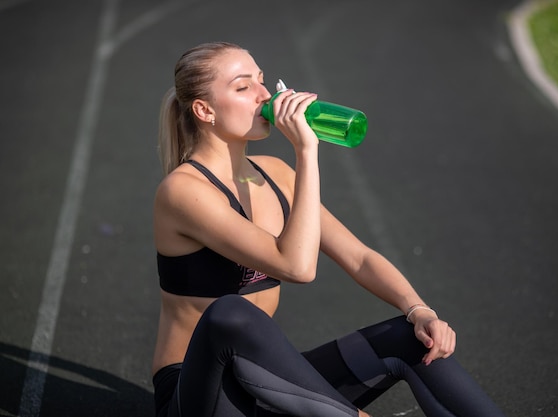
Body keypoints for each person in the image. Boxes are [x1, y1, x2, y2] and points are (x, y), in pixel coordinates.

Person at [151, 41, 505, 417]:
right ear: (204, 110)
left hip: (264, 386)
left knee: (414, 339)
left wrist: (419, 310)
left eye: (262, 81)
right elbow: (296, 267)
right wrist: (307, 151)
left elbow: (358, 257)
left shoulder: (276, 174)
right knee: (231, 315)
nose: (264, 95)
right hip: (201, 396)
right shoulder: (183, 192)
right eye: (243, 87)